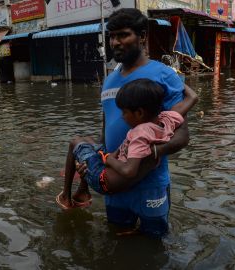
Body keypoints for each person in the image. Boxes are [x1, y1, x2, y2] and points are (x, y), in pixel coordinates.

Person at [73, 9, 195, 237]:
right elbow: (105, 132)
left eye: (122, 35)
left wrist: (143, 158)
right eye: (111, 36)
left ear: (142, 36)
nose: (115, 42)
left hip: (150, 183)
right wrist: (94, 163)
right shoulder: (109, 79)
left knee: (153, 242)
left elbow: (181, 136)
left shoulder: (163, 75)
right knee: (118, 236)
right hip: (115, 183)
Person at [56, 79, 197, 210]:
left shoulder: (140, 134)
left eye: (124, 112)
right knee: (88, 141)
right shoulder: (167, 119)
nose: (122, 116)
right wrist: (174, 79)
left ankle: (66, 198)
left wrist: (110, 160)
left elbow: (129, 171)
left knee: (75, 143)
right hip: (114, 172)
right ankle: (82, 191)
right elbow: (192, 97)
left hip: (103, 181)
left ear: (140, 113)